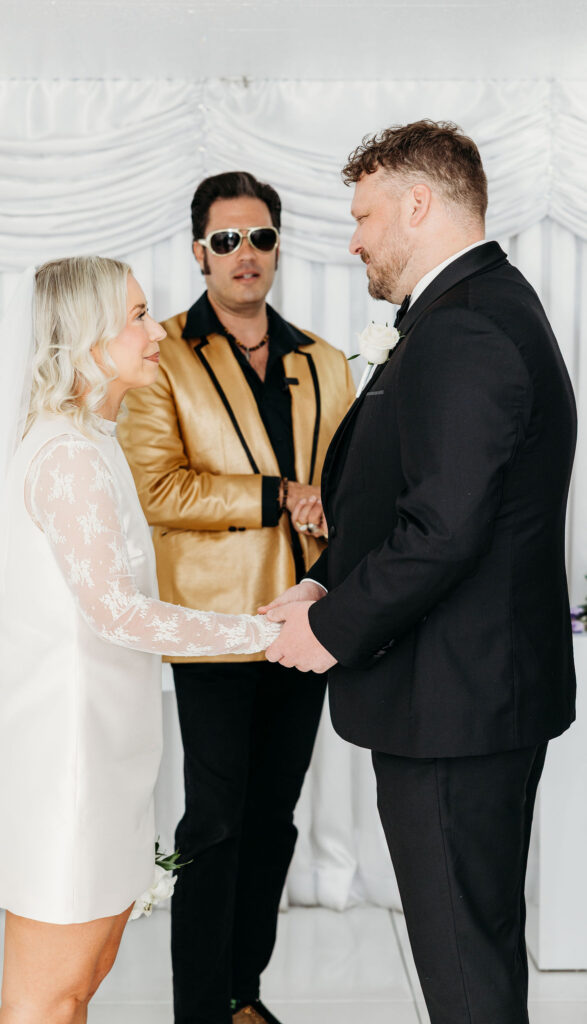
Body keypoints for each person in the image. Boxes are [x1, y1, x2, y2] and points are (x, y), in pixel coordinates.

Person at [0, 256, 280, 1024]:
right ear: (83, 337)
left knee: (83, 979)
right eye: (137, 316)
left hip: (99, 753)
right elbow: (118, 612)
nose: (157, 331)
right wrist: (261, 632)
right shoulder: (69, 456)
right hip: (63, 765)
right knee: (49, 996)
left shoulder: (90, 440)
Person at [262, 121, 577, 1024]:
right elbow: (421, 501)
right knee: (470, 942)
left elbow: (443, 530)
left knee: (463, 967)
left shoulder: (468, 325)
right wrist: (323, 581)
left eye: (362, 214)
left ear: (417, 203)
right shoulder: (476, 308)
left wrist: (326, 631)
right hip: (468, 694)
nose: (351, 237)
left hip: (455, 703)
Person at [119, 171, 355, 1024]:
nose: (243, 254)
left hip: (305, 627)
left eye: (258, 237)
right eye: (225, 241)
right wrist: (279, 493)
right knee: (214, 822)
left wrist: (336, 506)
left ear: (278, 246)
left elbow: (346, 485)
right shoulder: (162, 354)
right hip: (215, 628)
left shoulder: (326, 361)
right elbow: (158, 489)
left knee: (275, 820)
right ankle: (197, 1011)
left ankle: (241, 995)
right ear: (198, 252)